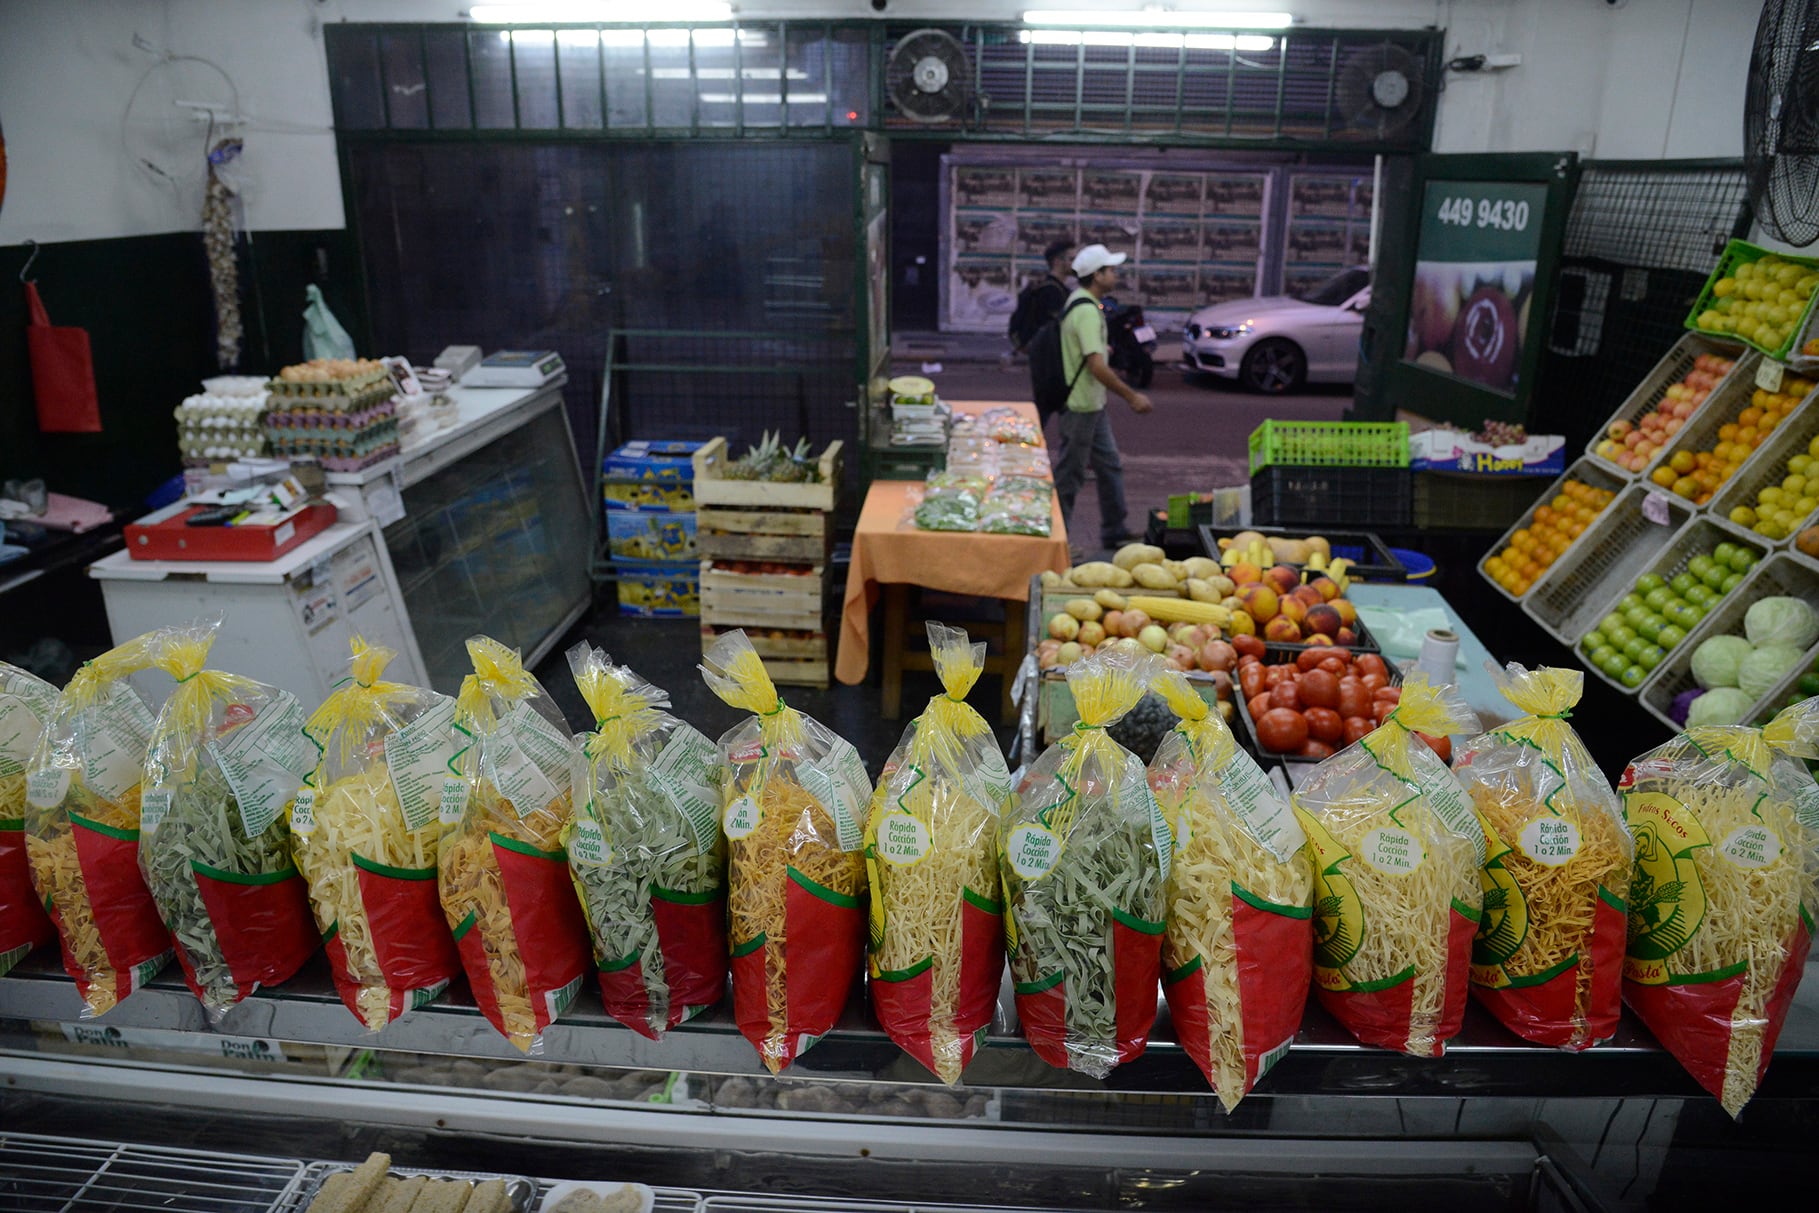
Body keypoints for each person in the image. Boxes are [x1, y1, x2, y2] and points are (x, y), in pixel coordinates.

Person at [1054, 244, 1152, 554]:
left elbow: (1089, 352)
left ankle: (1115, 530)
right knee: (1069, 476)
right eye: (1111, 270)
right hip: (1081, 406)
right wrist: (1131, 396)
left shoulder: (1081, 302)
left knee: (1109, 466)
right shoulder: (1085, 310)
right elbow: (1095, 366)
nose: (1115, 275)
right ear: (1097, 276)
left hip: (1093, 405)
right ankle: (1058, 541)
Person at [1007, 240, 1074, 356]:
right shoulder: (1051, 291)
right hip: (1048, 355)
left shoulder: (1048, 286)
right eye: (1072, 259)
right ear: (1057, 262)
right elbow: (1056, 329)